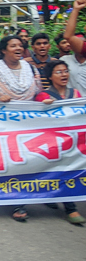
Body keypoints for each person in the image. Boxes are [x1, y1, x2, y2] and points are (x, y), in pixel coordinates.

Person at [0, 35, 42, 223]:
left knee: (30, 160)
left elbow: (38, 92)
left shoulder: (31, 68)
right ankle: (17, 202)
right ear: (4, 50)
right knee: (12, 160)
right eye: (13, 46)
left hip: (30, 123)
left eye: (20, 45)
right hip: (3, 124)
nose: (18, 48)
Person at [33, 59, 86, 225]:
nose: (63, 75)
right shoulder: (43, 96)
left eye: (65, 71)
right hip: (52, 142)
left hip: (73, 141)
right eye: (58, 72)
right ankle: (69, 208)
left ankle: (66, 205)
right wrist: (43, 106)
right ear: (50, 76)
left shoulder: (75, 94)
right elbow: (33, 119)